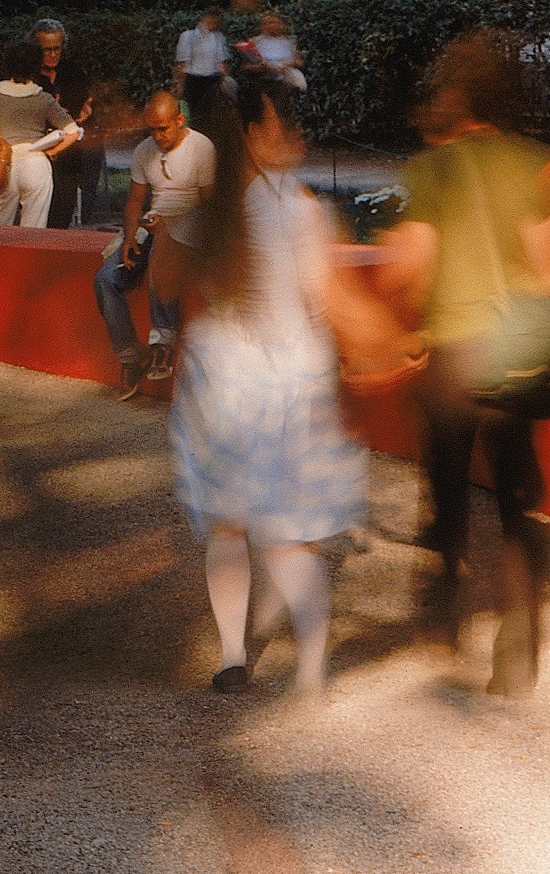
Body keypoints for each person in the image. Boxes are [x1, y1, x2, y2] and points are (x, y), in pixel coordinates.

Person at [379, 30, 550, 701]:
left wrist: (409, 325)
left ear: (458, 96)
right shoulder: (543, 168)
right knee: (516, 500)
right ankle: (516, 655)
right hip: (515, 358)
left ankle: (442, 605)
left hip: (451, 359)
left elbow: (407, 269)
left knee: (445, 485)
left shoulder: (432, 170)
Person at [167, 72, 399, 699]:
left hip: (221, 383)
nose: (293, 132)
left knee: (228, 526)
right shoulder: (295, 207)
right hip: (289, 384)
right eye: (281, 120)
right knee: (285, 535)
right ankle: (310, 672)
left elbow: (164, 280)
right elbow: (333, 297)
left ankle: (233, 654)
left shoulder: (206, 209)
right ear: (253, 132)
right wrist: (386, 344)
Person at [100, 79, 209, 397]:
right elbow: (135, 201)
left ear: (179, 120)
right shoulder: (143, 151)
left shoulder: (201, 148)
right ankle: (132, 358)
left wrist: (174, 220)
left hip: (191, 225)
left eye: (164, 129)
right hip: (153, 225)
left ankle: (163, 344)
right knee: (106, 279)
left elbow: (210, 203)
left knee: (164, 246)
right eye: (152, 130)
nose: (158, 137)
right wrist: (131, 236)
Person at [0, 30, 78, 230]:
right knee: (33, 230)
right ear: (36, 66)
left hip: (3, 162)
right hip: (36, 162)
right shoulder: (43, 98)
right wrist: (52, 151)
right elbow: (73, 132)